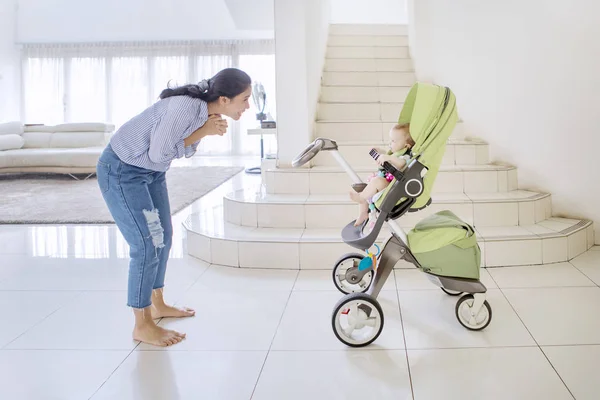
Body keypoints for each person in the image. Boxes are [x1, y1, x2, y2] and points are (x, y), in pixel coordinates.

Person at [96, 68, 252, 347]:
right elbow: (160, 152)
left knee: (163, 238)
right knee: (145, 245)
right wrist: (202, 131)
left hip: (151, 171)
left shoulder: (206, 113)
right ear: (225, 99)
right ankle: (141, 324)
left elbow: (183, 151)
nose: (248, 106)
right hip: (122, 170)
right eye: (244, 99)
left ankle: (157, 304)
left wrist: (202, 132)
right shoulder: (185, 108)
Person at [349, 123, 415, 226]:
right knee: (369, 185)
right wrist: (380, 152)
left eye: (393, 141)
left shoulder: (405, 156)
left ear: (406, 145)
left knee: (376, 182)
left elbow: (401, 163)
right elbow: (388, 155)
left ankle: (361, 198)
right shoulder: (395, 153)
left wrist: (389, 158)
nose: (390, 143)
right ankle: (363, 213)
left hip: (394, 187)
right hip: (387, 182)